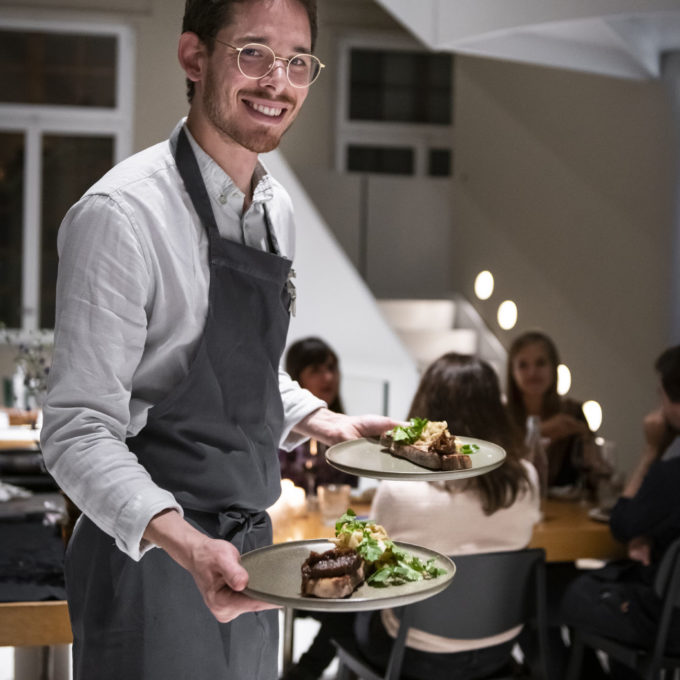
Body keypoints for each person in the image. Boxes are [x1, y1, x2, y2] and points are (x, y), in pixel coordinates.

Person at [40, 2, 396, 678]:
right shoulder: (121, 217)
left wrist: (324, 421)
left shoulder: (275, 210)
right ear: (194, 57)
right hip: (150, 559)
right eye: (253, 52)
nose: (278, 81)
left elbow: (244, 368)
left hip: (248, 554)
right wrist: (188, 545)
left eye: (298, 62)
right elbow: (76, 430)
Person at [350, 353, 541, 680]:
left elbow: (371, 562)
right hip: (499, 646)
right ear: (496, 409)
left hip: (412, 653)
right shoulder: (526, 478)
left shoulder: (400, 486)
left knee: (345, 608)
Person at [560, 345, 680, 679]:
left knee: (573, 593)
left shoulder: (671, 474)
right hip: (667, 609)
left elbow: (622, 523)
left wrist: (652, 449)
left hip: (668, 623)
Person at [506, 330, 592, 488]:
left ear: (554, 368)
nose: (532, 373)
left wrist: (586, 436)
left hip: (565, 510)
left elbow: (593, 476)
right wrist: (541, 431)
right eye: (523, 365)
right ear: (512, 372)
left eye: (540, 363)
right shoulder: (501, 416)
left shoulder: (572, 412)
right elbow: (500, 470)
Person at [278, 337, 357, 493]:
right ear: (296, 376)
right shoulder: (279, 434)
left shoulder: (344, 429)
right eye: (315, 370)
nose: (328, 377)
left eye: (331, 368)